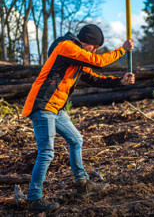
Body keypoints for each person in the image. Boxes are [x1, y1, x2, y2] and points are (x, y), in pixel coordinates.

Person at [22, 24, 135, 213]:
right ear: (87, 42)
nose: (96, 50)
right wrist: (123, 49)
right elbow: (97, 61)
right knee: (47, 152)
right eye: (95, 46)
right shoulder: (67, 47)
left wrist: (120, 81)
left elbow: (95, 78)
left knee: (76, 140)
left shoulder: (76, 58)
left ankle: (83, 185)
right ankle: (34, 199)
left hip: (55, 108)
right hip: (42, 105)